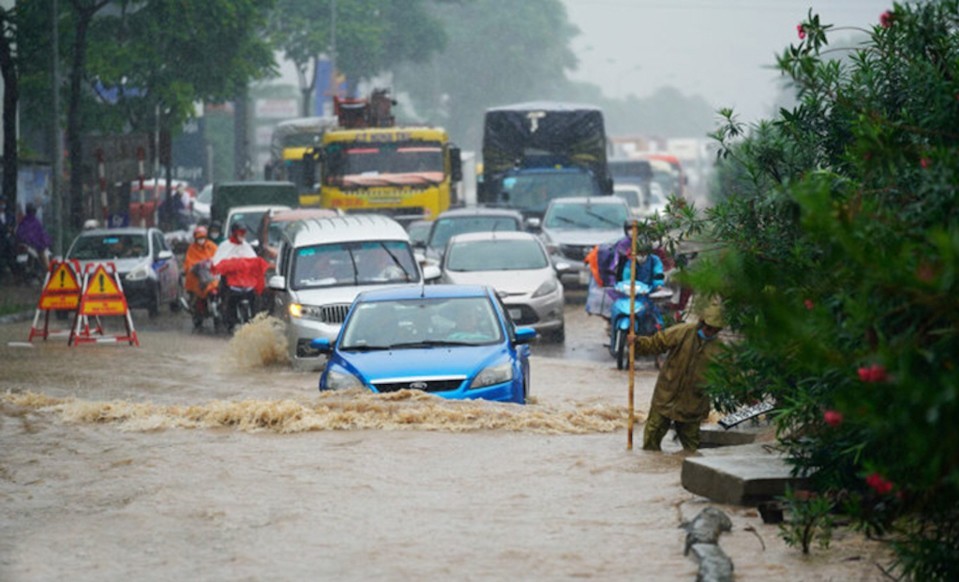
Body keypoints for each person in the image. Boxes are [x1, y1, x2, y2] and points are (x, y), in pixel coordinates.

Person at [633, 302, 725, 452]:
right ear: (701, 324)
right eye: (708, 328)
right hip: (666, 395)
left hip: (693, 404)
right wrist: (636, 343)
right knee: (651, 441)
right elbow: (655, 343)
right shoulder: (682, 332)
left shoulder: (719, 349)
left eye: (714, 330)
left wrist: (748, 396)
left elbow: (730, 376)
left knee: (692, 449)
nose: (710, 332)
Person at [183, 225, 219, 329]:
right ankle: (197, 311)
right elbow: (188, 263)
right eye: (199, 238)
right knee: (197, 289)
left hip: (211, 275)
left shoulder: (211, 246)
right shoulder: (192, 248)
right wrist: (196, 266)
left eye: (202, 237)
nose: (201, 240)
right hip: (198, 276)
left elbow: (218, 257)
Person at [15, 203, 53, 271]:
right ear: (34, 211)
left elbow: (21, 233)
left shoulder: (24, 222)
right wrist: (44, 243)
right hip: (33, 246)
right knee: (43, 254)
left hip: (28, 245)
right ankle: (49, 271)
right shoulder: (34, 222)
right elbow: (39, 235)